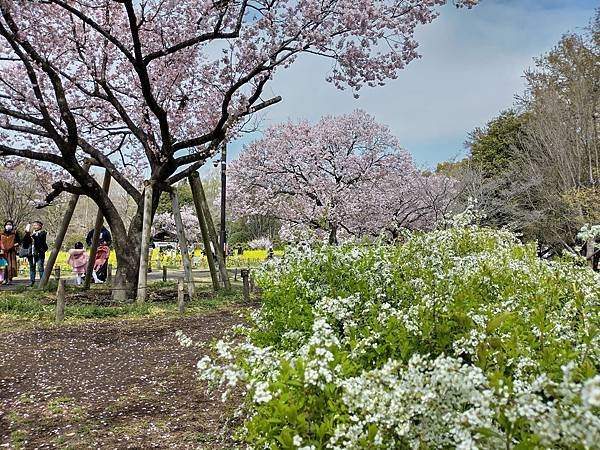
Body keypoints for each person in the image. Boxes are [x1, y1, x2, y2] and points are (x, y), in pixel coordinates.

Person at [22, 221, 48, 287]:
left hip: (39, 253)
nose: (34, 226)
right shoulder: (30, 234)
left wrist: (33, 235)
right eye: (33, 225)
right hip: (31, 253)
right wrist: (27, 235)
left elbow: (40, 241)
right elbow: (25, 243)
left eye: (36, 225)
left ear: (40, 226)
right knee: (32, 268)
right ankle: (32, 282)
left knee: (40, 267)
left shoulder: (43, 233)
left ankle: (42, 282)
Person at [0, 221, 21, 285]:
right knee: (3, 266)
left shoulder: (14, 233)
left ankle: (9, 279)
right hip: (3, 252)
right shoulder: (1, 233)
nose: (8, 226)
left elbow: (19, 242)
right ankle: (4, 279)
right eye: (7, 224)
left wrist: (14, 245)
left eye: (10, 224)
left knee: (11, 266)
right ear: (5, 226)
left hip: (11, 252)